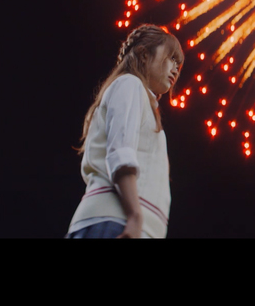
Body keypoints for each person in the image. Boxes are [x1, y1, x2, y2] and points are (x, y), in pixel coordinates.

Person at [67, 24, 184, 239]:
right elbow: (121, 153)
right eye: (171, 58)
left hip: (125, 224)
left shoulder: (142, 100)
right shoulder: (130, 84)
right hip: (115, 221)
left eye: (178, 63)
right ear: (143, 55)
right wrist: (135, 216)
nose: (176, 69)